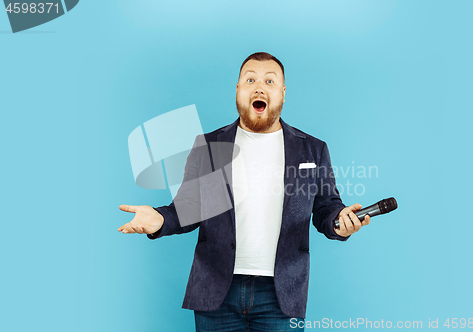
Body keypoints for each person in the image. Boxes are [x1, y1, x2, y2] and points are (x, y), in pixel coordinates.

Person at [118, 52, 370, 332]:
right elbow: (189, 208)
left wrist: (340, 223)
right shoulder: (209, 145)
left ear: (283, 94)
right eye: (250, 80)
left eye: (269, 81)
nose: (259, 86)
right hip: (216, 291)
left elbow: (326, 208)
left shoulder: (312, 149)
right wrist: (160, 220)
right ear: (238, 90)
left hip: (281, 294)